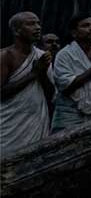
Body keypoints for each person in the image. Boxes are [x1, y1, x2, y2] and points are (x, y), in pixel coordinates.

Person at [1, 12, 53, 150]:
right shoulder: (5, 56)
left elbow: (50, 94)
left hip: (36, 121)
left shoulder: (42, 56)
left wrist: (41, 73)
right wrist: (33, 74)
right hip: (10, 124)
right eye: (31, 24)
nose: (37, 27)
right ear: (17, 30)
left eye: (38, 23)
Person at [50, 12, 91, 132]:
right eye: (86, 25)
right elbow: (65, 86)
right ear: (74, 33)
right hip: (70, 113)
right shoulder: (64, 54)